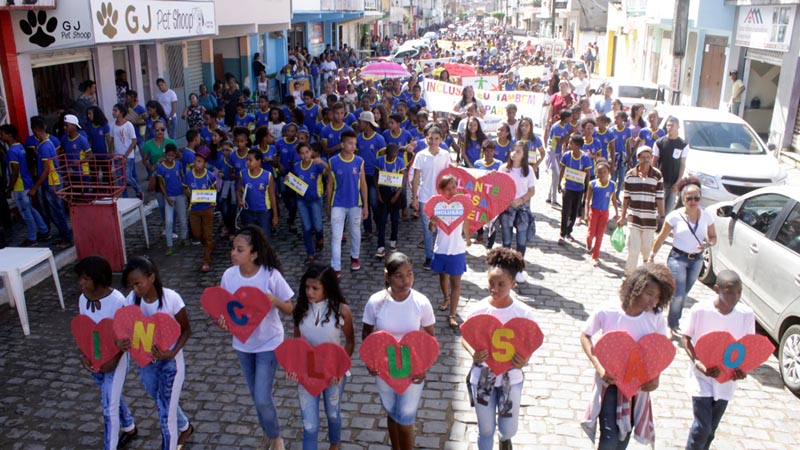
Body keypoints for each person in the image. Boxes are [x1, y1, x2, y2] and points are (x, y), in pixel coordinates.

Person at [580, 263, 675, 449]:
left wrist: (656, 377)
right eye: (650, 294)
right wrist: (599, 368)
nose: (654, 302)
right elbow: (585, 335)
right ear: (636, 287)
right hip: (610, 385)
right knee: (609, 437)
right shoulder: (607, 310)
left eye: (658, 297)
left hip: (637, 389)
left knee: (624, 438)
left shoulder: (655, 318)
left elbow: (660, 349)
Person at [217, 225, 294, 450]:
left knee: (262, 397)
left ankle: (276, 437)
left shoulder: (270, 275)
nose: (233, 253)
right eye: (233, 248)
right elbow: (224, 310)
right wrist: (222, 321)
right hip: (242, 345)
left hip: (269, 343)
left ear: (254, 254)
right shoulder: (228, 276)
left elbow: (290, 308)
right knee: (256, 396)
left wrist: (274, 301)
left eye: (239, 250)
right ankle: (268, 433)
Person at [462, 247, 536, 450]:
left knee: (508, 428)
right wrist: (473, 353)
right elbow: (465, 337)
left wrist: (525, 359)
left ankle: (505, 439)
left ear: (513, 283)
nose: (494, 288)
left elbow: (530, 343)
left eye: (501, 284)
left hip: (511, 379)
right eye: (491, 283)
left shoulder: (524, 313)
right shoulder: (477, 309)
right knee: (485, 430)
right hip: (482, 376)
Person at [362, 252, 436, 450]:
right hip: (385, 366)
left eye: (410, 274)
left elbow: (430, 338)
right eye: (399, 276)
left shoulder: (421, 302)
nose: (406, 281)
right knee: (392, 411)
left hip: (412, 365)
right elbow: (367, 334)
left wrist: (424, 366)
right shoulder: (375, 303)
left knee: (405, 418)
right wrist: (371, 363)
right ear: (387, 275)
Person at [119, 257, 193, 450]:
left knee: (165, 411)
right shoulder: (131, 301)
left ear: (151, 278)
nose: (134, 289)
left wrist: (171, 353)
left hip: (171, 363)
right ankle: (185, 426)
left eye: (138, 283)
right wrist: (123, 341)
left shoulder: (171, 299)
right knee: (160, 398)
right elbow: (126, 327)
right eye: (130, 285)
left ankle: (169, 443)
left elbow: (186, 330)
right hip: (146, 363)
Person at [681, 270, 752, 450]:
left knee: (711, 429)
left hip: (726, 381)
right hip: (702, 376)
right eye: (729, 291)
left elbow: (748, 347)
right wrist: (698, 363)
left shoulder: (746, 315)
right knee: (702, 427)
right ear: (716, 289)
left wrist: (742, 369)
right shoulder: (701, 310)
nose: (735, 296)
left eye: (739, 291)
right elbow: (686, 337)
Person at [74, 255, 139, 450]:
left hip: (115, 358)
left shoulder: (117, 301)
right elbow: (83, 329)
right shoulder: (82, 299)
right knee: (110, 395)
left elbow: (127, 335)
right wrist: (84, 355)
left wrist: (115, 359)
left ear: (99, 278)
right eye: (80, 278)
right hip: (95, 357)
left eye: (86, 278)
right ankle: (129, 426)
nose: (81, 283)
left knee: (108, 407)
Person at [289, 263, 355, 450]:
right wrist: (293, 368)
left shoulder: (342, 311)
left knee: (333, 413)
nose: (309, 292)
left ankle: (335, 444)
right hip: (307, 374)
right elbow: (297, 343)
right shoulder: (300, 310)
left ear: (327, 287)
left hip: (334, 374)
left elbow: (350, 342)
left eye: (315, 288)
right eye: (307, 287)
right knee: (309, 426)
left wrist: (339, 369)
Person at [649, 177, 717, 336]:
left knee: (684, 293)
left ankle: (670, 316)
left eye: (697, 198)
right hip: (677, 258)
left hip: (697, 260)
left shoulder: (707, 216)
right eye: (689, 198)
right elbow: (661, 237)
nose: (693, 202)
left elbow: (713, 237)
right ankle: (672, 324)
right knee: (678, 294)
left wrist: (707, 244)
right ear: (683, 198)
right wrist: (652, 255)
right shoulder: (674, 216)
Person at [429, 174, 471, 329]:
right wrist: (432, 224)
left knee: (456, 283)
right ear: (442, 191)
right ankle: (446, 297)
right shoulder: (437, 206)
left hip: (457, 250)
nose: (452, 191)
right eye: (448, 189)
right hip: (441, 248)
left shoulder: (461, 205)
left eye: (454, 187)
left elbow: (465, 221)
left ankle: (452, 314)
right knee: (443, 277)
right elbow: (432, 228)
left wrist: (467, 238)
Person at [326, 130, 368, 276]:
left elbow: (363, 184)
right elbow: (330, 185)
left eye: (354, 144)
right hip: (337, 203)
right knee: (336, 236)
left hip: (355, 204)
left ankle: (355, 257)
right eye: (350, 143)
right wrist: (328, 205)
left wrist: (366, 205)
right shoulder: (333, 162)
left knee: (355, 233)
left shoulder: (359, 161)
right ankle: (335, 266)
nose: (352, 146)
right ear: (342, 144)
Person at [618, 146, 665, 275]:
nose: (646, 160)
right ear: (637, 158)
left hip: (649, 219)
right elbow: (626, 198)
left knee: (646, 249)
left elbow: (660, 197)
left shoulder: (657, 175)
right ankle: (629, 275)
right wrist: (622, 217)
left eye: (648, 157)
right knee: (633, 249)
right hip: (634, 217)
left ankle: (645, 275)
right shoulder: (630, 175)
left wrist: (662, 216)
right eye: (643, 158)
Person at [1, 124, 49, 247]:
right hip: (27, 183)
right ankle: (44, 230)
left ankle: (32, 238)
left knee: (26, 213)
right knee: (31, 209)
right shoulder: (20, 147)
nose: (1, 136)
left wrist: (9, 189)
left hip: (20, 186)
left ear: (9, 135)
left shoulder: (12, 151)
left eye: (2, 134)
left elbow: (15, 172)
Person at [411, 126, 452, 269]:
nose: (433, 141)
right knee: (427, 228)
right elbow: (415, 178)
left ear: (441, 139)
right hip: (425, 197)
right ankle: (429, 257)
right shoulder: (420, 155)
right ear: (426, 138)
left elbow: (450, 174)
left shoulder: (446, 154)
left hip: (441, 198)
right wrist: (414, 198)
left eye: (436, 138)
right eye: (430, 138)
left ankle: (441, 256)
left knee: (442, 228)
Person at [29, 119, 73, 248]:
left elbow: (46, 169)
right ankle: (63, 236)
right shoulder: (47, 144)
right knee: (53, 211)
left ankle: (67, 238)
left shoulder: (44, 146)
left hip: (52, 182)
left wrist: (35, 187)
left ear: (35, 130)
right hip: (52, 181)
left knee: (56, 212)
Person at [499, 141, 537, 278]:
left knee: (521, 240)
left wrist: (520, 201)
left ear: (524, 154)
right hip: (507, 208)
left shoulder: (528, 170)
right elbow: (497, 188)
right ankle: (506, 267)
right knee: (506, 239)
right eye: (513, 150)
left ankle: (519, 267)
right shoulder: (503, 168)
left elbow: (532, 191)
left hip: (522, 209)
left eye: (518, 151)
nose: (514, 153)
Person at [183, 147, 217, 272]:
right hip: (194, 209)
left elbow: (214, 189)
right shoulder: (188, 175)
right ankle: (209, 245)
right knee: (197, 234)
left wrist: (213, 200)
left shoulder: (210, 176)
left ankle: (206, 260)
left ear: (205, 164)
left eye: (199, 161)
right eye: (195, 160)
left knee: (207, 234)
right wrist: (190, 196)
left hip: (207, 208)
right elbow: (185, 188)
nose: (196, 163)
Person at [292, 142, 327, 263]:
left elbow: (329, 171)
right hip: (302, 200)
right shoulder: (297, 166)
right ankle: (310, 253)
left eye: (307, 152)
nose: (305, 155)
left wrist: (322, 162)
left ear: (311, 152)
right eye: (302, 153)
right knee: (306, 226)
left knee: (317, 224)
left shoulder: (316, 164)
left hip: (315, 199)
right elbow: (294, 181)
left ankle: (319, 237)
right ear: (299, 155)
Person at [356, 111, 387, 240]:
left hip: (374, 176)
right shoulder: (358, 138)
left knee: (374, 202)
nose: (358, 124)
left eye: (361, 122)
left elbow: (383, 159)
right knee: (364, 203)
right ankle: (367, 229)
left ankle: (379, 226)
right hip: (361, 176)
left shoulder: (379, 139)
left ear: (367, 123)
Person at [558, 135, 592, 245]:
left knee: (574, 212)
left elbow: (587, 175)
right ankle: (562, 234)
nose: (569, 145)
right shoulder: (566, 156)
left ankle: (569, 231)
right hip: (568, 187)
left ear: (577, 146)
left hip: (579, 189)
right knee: (565, 211)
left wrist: (587, 189)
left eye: (571, 143)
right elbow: (562, 170)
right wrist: (559, 183)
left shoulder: (585, 158)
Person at [238, 148, 278, 240]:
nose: (247, 162)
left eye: (250, 160)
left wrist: (275, 215)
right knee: (251, 238)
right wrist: (240, 199)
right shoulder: (243, 174)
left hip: (263, 212)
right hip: (248, 212)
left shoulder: (267, 176)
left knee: (264, 237)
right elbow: (238, 190)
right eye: (247, 160)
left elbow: (272, 196)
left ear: (259, 161)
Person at [584, 159, 619, 266]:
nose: (602, 174)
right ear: (596, 172)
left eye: (605, 172)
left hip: (604, 213)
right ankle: (589, 244)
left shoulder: (612, 185)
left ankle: (595, 256)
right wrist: (586, 213)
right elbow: (587, 200)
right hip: (594, 212)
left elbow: (613, 199)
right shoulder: (592, 184)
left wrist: (617, 212)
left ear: (608, 173)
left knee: (599, 235)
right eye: (600, 172)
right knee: (591, 234)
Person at [375, 143, 406, 258]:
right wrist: (378, 193)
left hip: (395, 193)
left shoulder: (399, 162)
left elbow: (403, 178)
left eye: (395, 156)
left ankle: (393, 240)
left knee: (395, 219)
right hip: (383, 192)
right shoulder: (379, 161)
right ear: (386, 154)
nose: (393, 158)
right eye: (391, 156)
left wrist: (397, 194)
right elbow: (375, 176)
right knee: (382, 220)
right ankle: (380, 245)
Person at [157, 144, 188, 255]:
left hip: (180, 195)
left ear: (175, 155)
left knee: (183, 218)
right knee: (169, 221)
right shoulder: (161, 167)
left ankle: (184, 238)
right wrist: (166, 197)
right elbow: (161, 184)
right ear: (165, 155)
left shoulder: (178, 164)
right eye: (168, 155)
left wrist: (185, 192)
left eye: (172, 155)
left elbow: (181, 177)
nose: (170, 158)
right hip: (169, 196)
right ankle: (169, 245)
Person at [653, 117, 688, 214]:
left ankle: (664, 227)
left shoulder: (683, 144)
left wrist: (678, 181)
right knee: (659, 208)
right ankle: (658, 227)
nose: (669, 128)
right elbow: (654, 161)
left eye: (672, 125)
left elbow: (682, 164)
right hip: (662, 181)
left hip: (674, 182)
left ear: (678, 127)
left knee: (669, 209)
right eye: (668, 125)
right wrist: (655, 178)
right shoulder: (659, 142)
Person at [546, 109, 572, 206]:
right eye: (570, 117)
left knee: (555, 176)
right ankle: (554, 199)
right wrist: (569, 134)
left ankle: (549, 196)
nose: (571, 119)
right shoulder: (557, 127)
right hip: (552, 152)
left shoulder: (566, 125)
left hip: (558, 152)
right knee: (557, 174)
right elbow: (560, 142)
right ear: (565, 118)